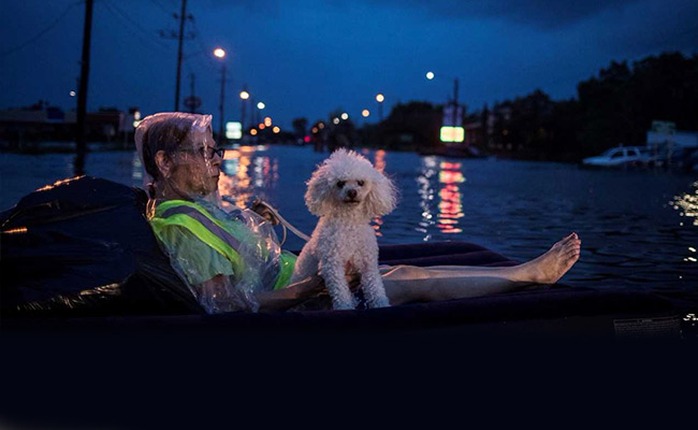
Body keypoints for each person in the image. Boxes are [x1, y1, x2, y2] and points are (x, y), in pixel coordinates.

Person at [135, 112, 581, 314]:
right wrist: (309, 288)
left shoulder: (194, 208)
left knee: (404, 265)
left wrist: (259, 221)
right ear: (165, 163)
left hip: (292, 277)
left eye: (216, 150)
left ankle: (522, 274)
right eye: (205, 151)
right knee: (402, 278)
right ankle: (529, 276)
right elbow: (226, 306)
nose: (217, 160)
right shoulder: (180, 224)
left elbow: (239, 260)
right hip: (295, 301)